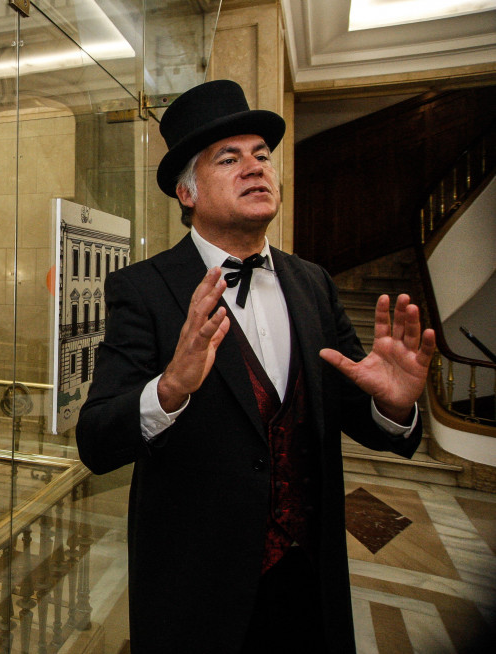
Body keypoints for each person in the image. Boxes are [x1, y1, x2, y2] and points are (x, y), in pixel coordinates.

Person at [75, 80, 436, 653]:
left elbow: (354, 416)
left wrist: (392, 404)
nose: (255, 168)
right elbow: (96, 440)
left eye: (262, 156)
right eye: (230, 157)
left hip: (308, 581)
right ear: (186, 193)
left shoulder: (312, 283)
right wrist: (168, 390)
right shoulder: (142, 289)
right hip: (200, 594)